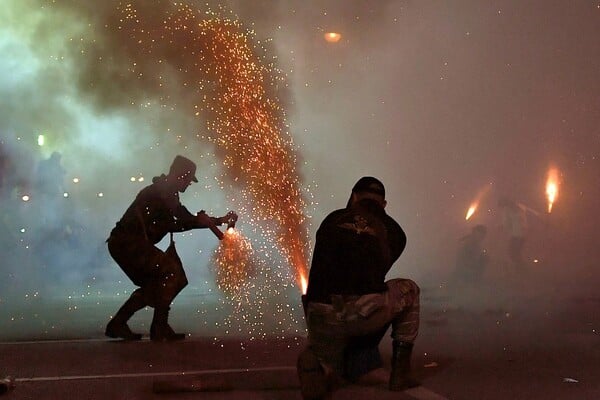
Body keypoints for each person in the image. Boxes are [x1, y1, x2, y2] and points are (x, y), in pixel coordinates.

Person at [297, 177, 420, 399]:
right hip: (359, 313)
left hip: (318, 313)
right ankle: (399, 374)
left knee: (329, 346)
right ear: (383, 205)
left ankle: (320, 362)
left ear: (353, 196)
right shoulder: (395, 232)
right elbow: (371, 276)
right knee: (408, 289)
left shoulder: (330, 221)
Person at [105, 155, 237, 341]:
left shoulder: (168, 192)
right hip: (127, 243)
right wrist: (206, 222)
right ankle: (158, 326)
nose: (189, 184)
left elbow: (182, 218)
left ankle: (121, 323)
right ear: (181, 175)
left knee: (176, 279)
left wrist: (217, 221)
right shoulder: (162, 191)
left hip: (130, 244)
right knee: (170, 272)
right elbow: (179, 221)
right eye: (188, 179)